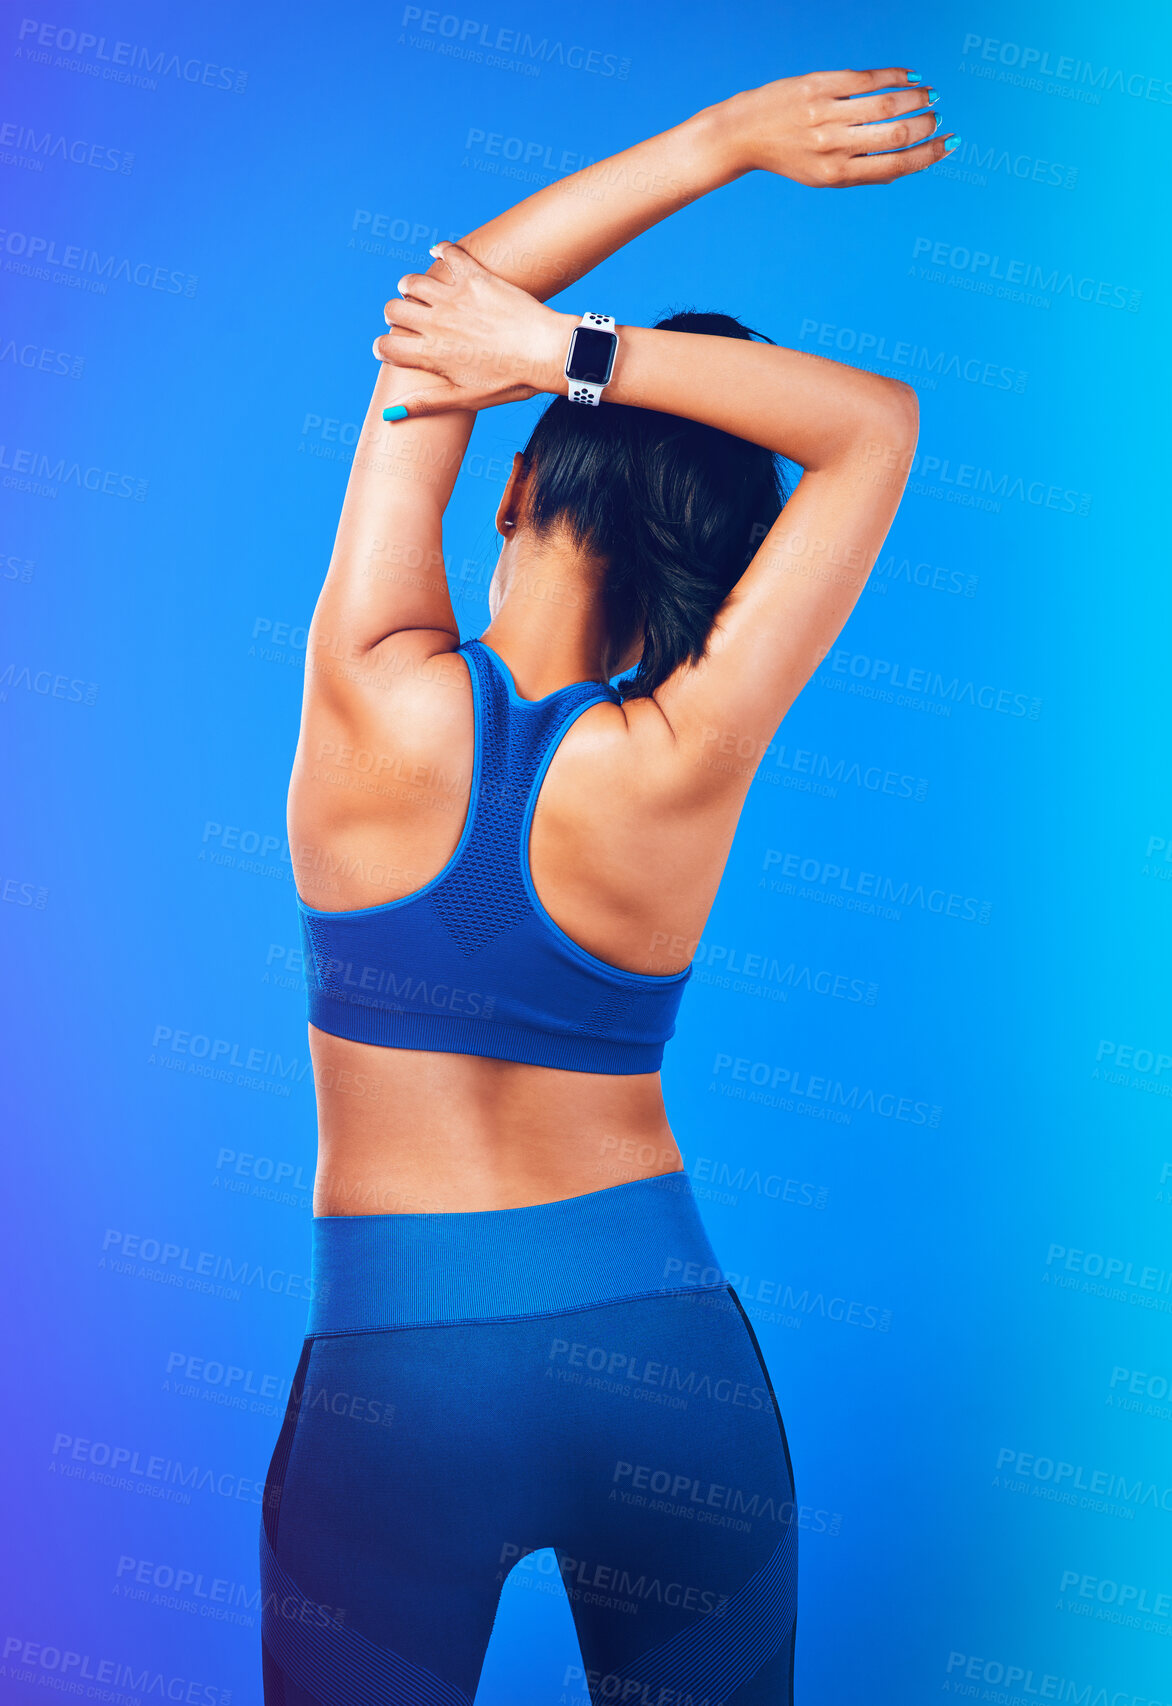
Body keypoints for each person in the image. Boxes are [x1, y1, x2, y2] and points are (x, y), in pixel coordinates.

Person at [260, 67, 950, 1706]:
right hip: (664, 1354)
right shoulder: (684, 753)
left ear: (511, 491)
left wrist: (712, 151)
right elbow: (878, 429)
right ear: (705, 568)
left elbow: (441, 315)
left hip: (395, 1386)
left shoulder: (370, 691)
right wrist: (568, 356)